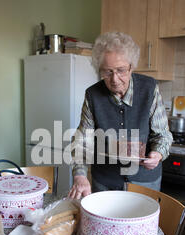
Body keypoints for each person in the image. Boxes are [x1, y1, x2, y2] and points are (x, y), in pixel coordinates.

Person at [68, 32, 173, 200]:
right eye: (107, 72)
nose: (115, 79)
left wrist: (158, 154)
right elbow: (82, 140)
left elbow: (163, 135)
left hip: (144, 183)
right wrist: (80, 175)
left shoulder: (149, 89)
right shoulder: (93, 95)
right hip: (105, 181)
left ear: (131, 67)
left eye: (121, 70)